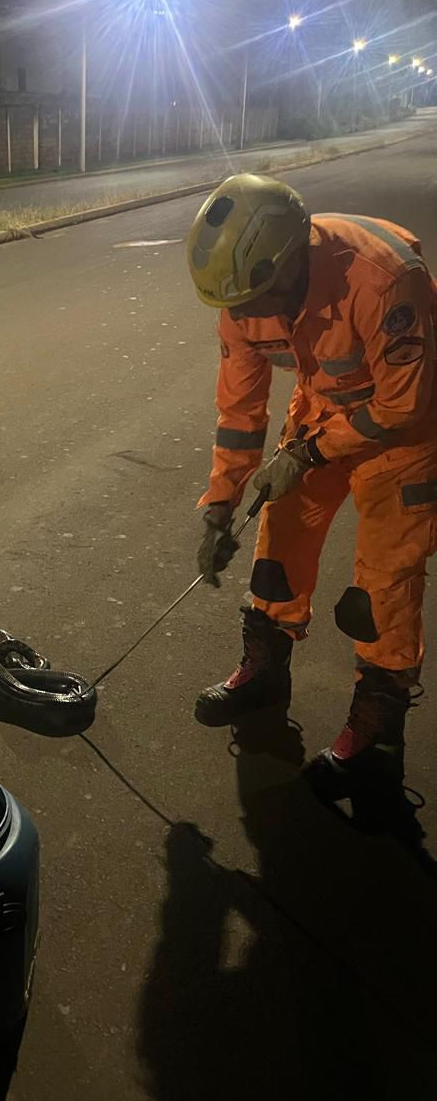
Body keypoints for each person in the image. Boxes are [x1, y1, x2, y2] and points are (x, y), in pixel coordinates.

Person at [186, 173, 437, 803]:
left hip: (412, 428)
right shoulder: (242, 298)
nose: (242, 319)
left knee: (383, 583)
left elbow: (402, 407)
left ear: (294, 260)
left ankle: (376, 736)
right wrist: (220, 503)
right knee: (280, 536)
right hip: (326, 411)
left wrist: (312, 453)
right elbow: (240, 412)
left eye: (253, 302)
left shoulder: (384, 279)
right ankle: (266, 671)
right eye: (233, 308)